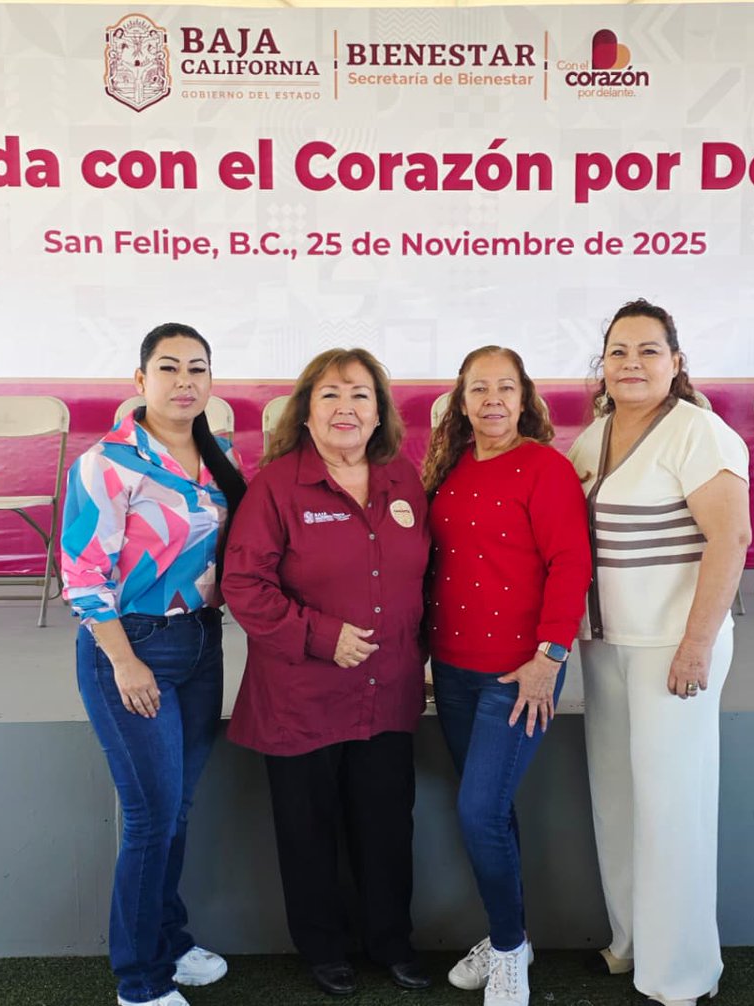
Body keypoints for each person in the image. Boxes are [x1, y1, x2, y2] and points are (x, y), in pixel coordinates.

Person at [222, 349, 432, 997]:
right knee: (307, 829)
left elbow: (429, 576)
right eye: (332, 395)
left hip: (388, 691)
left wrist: (424, 657)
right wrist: (322, 635)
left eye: (361, 396)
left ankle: (391, 942)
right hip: (300, 696)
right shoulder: (276, 485)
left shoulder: (405, 478)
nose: (347, 408)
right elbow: (244, 585)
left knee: (387, 823)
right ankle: (324, 949)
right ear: (306, 412)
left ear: (379, 413)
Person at [567, 299, 751, 1006]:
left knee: (671, 806)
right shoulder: (595, 438)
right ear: (603, 365)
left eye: (649, 350)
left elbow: (729, 540)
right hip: (607, 645)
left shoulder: (699, 434)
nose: (632, 363)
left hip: (673, 650)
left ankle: (680, 975)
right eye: (619, 351)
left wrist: (697, 646)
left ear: (676, 363)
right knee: (617, 799)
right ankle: (631, 942)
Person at [61, 323, 247, 1006]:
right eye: (168, 368)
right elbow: (83, 574)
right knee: (149, 815)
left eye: (198, 368)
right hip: (130, 648)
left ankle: (169, 940)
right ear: (140, 382)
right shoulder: (106, 462)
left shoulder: (220, 455)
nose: (184, 380)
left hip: (201, 643)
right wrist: (123, 662)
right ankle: (139, 981)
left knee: (178, 807)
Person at [422, 346, 591, 1006]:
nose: (492, 399)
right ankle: (508, 936)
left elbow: (570, 565)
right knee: (490, 811)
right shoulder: (450, 468)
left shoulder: (545, 468)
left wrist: (549, 660)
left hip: (520, 674)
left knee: (477, 811)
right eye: (478, 388)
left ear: (525, 399)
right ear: (461, 402)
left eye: (506, 387)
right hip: (454, 668)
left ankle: (510, 948)